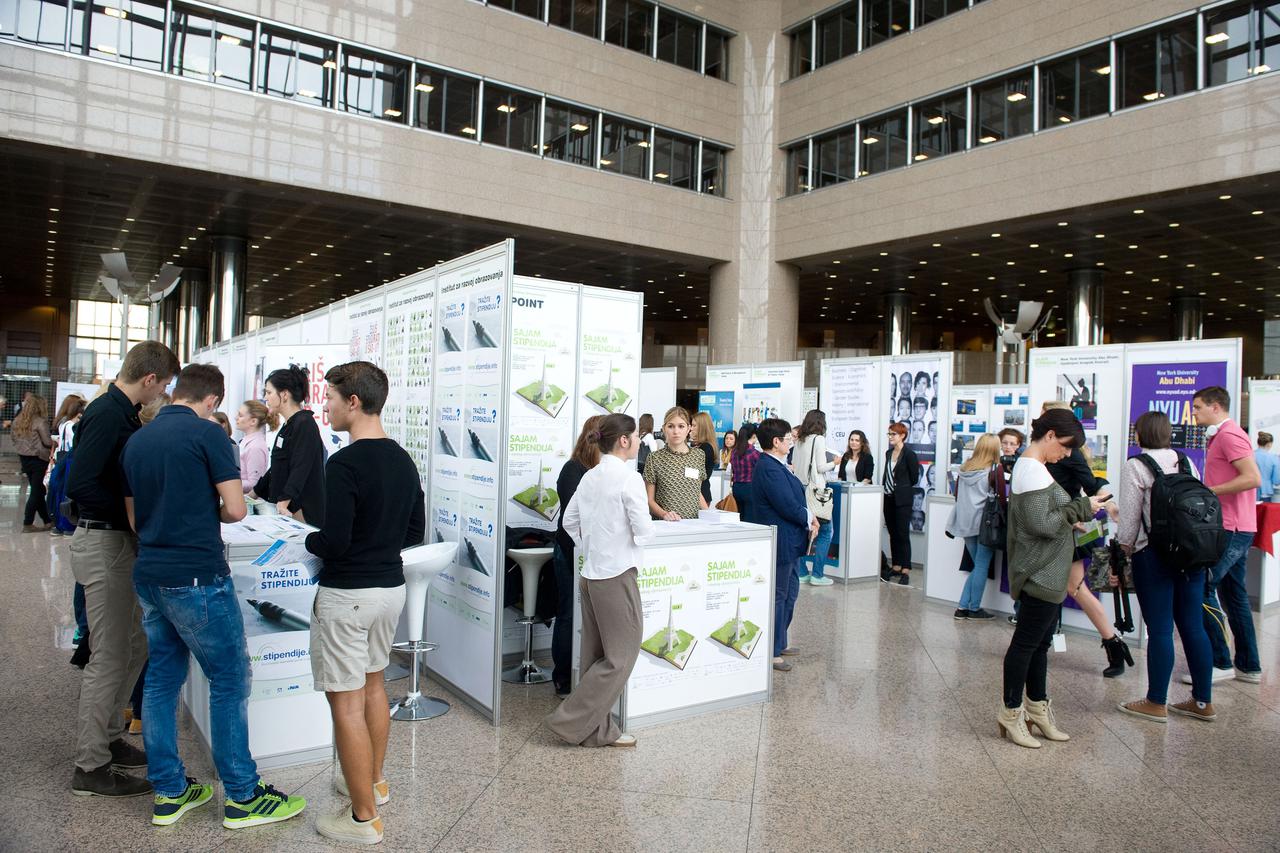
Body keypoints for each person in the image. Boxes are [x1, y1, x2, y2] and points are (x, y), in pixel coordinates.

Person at [121, 363, 307, 829]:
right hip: (198, 575)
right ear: (212, 400)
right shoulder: (208, 438)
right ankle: (243, 795)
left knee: (163, 679)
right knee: (228, 678)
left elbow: (133, 519)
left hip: (149, 574)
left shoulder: (137, 441)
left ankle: (169, 790)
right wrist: (207, 513)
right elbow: (236, 508)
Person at [303, 361, 424, 844]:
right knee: (374, 686)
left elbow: (333, 541)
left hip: (348, 594)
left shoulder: (345, 464)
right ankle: (374, 781)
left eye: (329, 398)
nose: (325, 407)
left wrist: (309, 541)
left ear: (353, 402)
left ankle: (363, 817)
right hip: (389, 590)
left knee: (346, 704)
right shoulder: (402, 459)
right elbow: (413, 532)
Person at [67, 340, 179, 798]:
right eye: (164, 385)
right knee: (110, 654)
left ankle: (111, 738)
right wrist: (136, 514)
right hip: (106, 542)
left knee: (134, 646)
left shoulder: (123, 414)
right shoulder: (108, 414)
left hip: (119, 544)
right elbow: (82, 484)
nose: (162, 394)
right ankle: (89, 766)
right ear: (150, 379)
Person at [998, 409, 1108, 749]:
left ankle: (1036, 708)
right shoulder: (1030, 468)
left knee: (1039, 644)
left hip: (1049, 571)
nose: (1068, 453)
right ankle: (1012, 711)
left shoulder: (1035, 468)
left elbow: (1047, 518)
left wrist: (1074, 514)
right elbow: (1041, 524)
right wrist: (1083, 507)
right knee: (1027, 644)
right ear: (1049, 436)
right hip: (1040, 571)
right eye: (1065, 445)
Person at [546, 413, 652, 748]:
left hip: (591, 575)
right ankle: (568, 720)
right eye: (635, 436)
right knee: (621, 656)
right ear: (623, 440)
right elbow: (644, 530)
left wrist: (592, 544)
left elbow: (569, 521)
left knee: (595, 656)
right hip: (616, 575)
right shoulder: (628, 478)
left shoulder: (590, 476)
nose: (638, 441)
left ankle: (599, 730)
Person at [1116, 411, 1216, 723]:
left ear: (1139, 435)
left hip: (1154, 556)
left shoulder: (1136, 466)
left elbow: (1130, 520)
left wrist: (1122, 553)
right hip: (1192, 554)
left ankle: (1156, 701)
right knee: (1193, 626)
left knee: (1159, 628)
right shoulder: (1186, 461)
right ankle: (1202, 702)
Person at [1039, 402, 1131, 678]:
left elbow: (1091, 484)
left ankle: (1113, 644)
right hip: (1052, 527)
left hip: (1064, 530)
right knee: (1068, 588)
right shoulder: (1044, 451)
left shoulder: (1070, 453)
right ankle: (1112, 645)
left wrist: (1109, 504)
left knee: (1075, 588)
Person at [1191, 386, 1262, 684]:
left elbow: (1252, 477)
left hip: (1232, 528)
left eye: (1197, 407)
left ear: (1216, 407)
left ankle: (1220, 662)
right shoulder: (1223, 435)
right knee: (1234, 597)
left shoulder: (1230, 436)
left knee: (1203, 589)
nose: (1194, 412)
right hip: (1235, 526)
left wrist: (1209, 492)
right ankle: (1249, 666)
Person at [752, 418, 817, 673]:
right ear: (776, 442)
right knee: (779, 595)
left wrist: (808, 517)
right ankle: (772, 650)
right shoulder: (768, 467)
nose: (791, 441)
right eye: (788, 438)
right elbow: (786, 505)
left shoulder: (778, 465)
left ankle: (781, 641)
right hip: (781, 541)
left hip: (791, 540)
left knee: (790, 592)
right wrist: (808, 517)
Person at [551, 415, 605, 697]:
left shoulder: (603, 470)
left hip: (593, 552)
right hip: (569, 551)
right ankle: (562, 678)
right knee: (568, 613)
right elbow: (574, 519)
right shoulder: (573, 470)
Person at [252, 365, 327, 525]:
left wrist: (285, 501)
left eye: (269, 392)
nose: (266, 397)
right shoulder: (289, 425)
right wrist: (253, 494)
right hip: (284, 509)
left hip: (300, 511)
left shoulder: (305, 423)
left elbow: (301, 466)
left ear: (284, 394)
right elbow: (278, 466)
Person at [946, 433, 1000, 620]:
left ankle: (962, 609)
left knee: (978, 565)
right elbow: (997, 497)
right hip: (985, 525)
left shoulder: (965, 469)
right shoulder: (993, 471)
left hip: (965, 523)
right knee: (981, 566)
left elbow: (958, 495)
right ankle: (971, 608)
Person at [792, 409, 835, 586]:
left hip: (799, 488)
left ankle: (802, 572)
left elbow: (795, 465)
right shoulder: (819, 439)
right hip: (814, 490)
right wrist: (835, 463)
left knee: (803, 529)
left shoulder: (799, 441)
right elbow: (821, 467)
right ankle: (817, 575)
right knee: (826, 532)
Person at [643, 406, 707, 520]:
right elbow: (649, 499)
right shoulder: (654, 458)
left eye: (681, 426)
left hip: (693, 524)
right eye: (671, 426)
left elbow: (697, 492)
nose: (676, 431)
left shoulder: (699, 455)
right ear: (664, 428)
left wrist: (709, 515)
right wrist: (664, 514)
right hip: (665, 526)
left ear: (688, 428)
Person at [881, 422, 920, 586]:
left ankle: (905, 569)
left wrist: (901, 488)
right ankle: (896, 566)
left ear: (902, 435)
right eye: (889, 434)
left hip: (902, 499)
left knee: (903, 534)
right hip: (888, 498)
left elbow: (914, 478)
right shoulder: (888, 453)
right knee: (893, 532)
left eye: (893, 434)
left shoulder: (909, 454)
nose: (890, 437)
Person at [13, 393, 54, 532]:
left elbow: (13, 438)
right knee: (37, 492)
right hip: (38, 458)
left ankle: (47, 521)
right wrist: (55, 441)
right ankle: (28, 523)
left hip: (24, 458)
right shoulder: (40, 422)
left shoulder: (18, 420)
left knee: (38, 490)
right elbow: (47, 442)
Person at [49, 395, 87, 537]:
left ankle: (59, 523)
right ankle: (67, 524)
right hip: (70, 459)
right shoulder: (73, 426)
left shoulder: (63, 424)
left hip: (61, 457)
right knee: (68, 493)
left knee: (60, 491)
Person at [234, 400, 276, 494]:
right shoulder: (247, 442)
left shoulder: (256, 447)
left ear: (253, 421)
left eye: (240, 415)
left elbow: (254, 483)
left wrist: (229, 483)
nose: (236, 418)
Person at [729, 423, 760, 523]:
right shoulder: (754, 453)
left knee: (740, 518)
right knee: (750, 520)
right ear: (753, 436)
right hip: (750, 488)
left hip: (737, 487)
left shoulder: (734, 452)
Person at [690, 410, 720, 507]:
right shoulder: (702, 446)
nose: (691, 428)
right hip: (698, 493)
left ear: (702, 428)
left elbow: (694, 472)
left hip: (700, 494)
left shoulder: (706, 448)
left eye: (694, 426)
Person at [1255, 431, 1280, 502]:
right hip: (1265, 492)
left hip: (1251, 491)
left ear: (1258, 443)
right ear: (1269, 444)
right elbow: (1276, 481)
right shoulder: (1273, 458)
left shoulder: (1249, 455)